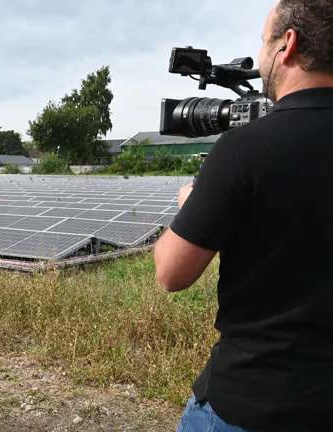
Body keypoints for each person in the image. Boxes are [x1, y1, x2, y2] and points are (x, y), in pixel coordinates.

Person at [154, 1, 333, 431]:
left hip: (252, 404)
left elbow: (170, 273)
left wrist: (191, 206)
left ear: (287, 45)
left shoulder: (242, 150)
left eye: (264, 39)